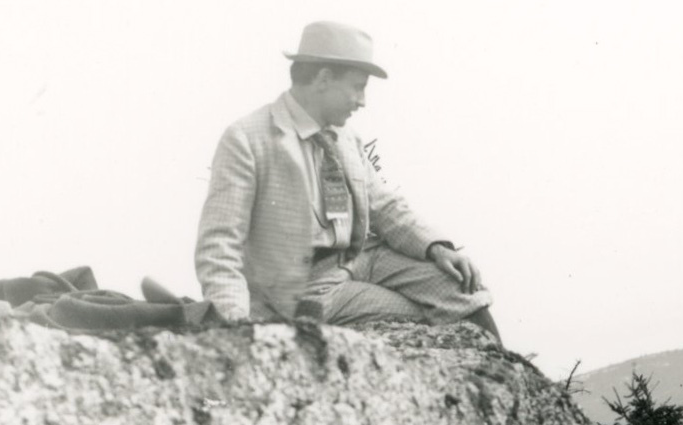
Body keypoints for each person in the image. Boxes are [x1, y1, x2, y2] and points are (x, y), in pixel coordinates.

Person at [192, 21, 500, 343]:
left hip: (361, 259)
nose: (362, 101)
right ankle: (196, 316)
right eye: (357, 86)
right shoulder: (247, 139)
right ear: (324, 78)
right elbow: (219, 245)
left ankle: (505, 385)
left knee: (460, 288)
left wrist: (436, 247)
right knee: (426, 312)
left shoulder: (345, 138)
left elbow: (383, 204)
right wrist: (235, 325)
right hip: (304, 289)